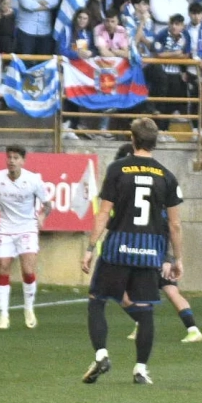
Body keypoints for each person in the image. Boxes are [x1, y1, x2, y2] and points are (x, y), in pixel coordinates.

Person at [80, 119, 184, 386]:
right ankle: (140, 369)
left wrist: (90, 248)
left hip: (118, 247)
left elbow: (104, 213)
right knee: (146, 310)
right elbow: (174, 224)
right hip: (149, 251)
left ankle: (101, 354)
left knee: (97, 299)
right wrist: (177, 259)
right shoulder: (167, 176)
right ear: (155, 142)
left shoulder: (117, 169)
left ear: (133, 138)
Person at [0, 145, 49, 330]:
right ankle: (4, 314)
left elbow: (47, 204)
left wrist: (42, 216)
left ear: (23, 161)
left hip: (27, 228)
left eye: (16, 158)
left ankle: (28, 309)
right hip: (5, 229)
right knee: (3, 267)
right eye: (9, 157)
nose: (11, 161)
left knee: (28, 270)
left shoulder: (33, 180)